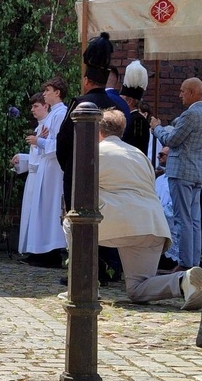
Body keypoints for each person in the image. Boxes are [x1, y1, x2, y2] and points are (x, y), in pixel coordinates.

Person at [63, 109, 202, 310]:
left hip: (118, 221)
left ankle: (85, 287)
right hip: (153, 224)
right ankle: (184, 280)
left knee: (71, 221)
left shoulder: (94, 153)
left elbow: (82, 195)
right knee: (137, 289)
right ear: (121, 131)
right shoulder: (139, 154)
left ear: (97, 130)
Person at [56, 32, 122, 286]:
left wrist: (68, 169)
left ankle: (82, 269)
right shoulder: (115, 105)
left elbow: (63, 141)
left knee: (79, 220)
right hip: (109, 173)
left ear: (86, 81)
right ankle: (108, 268)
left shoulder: (80, 103)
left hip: (79, 172)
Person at [150, 78, 202, 273]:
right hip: (197, 172)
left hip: (182, 173)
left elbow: (172, 139)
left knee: (183, 219)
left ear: (192, 92)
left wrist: (156, 128)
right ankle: (194, 261)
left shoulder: (191, 114)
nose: (179, 95)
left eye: (182, 91)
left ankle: (186, 262)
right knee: (195, 220)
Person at [13, 91, 65, 267]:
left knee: (46, 215)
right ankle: (37, 251)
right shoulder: (43, 125)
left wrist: (39, 142)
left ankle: (47, 253)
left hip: (50, 174)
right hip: (40, 173)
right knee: (36, 216)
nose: (32, 110)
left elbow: (55, 147)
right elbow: (37, 156)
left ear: (46, 106)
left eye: (36, 106)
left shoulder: (58, 115)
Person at [155, 147, 178, 271]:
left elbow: (175, 206)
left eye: (162, 154)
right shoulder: (159, 179)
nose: (159, 156)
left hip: (171, 229)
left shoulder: (177, 181)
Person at [120, 60, 150, 155]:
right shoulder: (129, 118)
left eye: (122, 99)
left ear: (129, 101)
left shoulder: (138, 121)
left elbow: (135, 149)